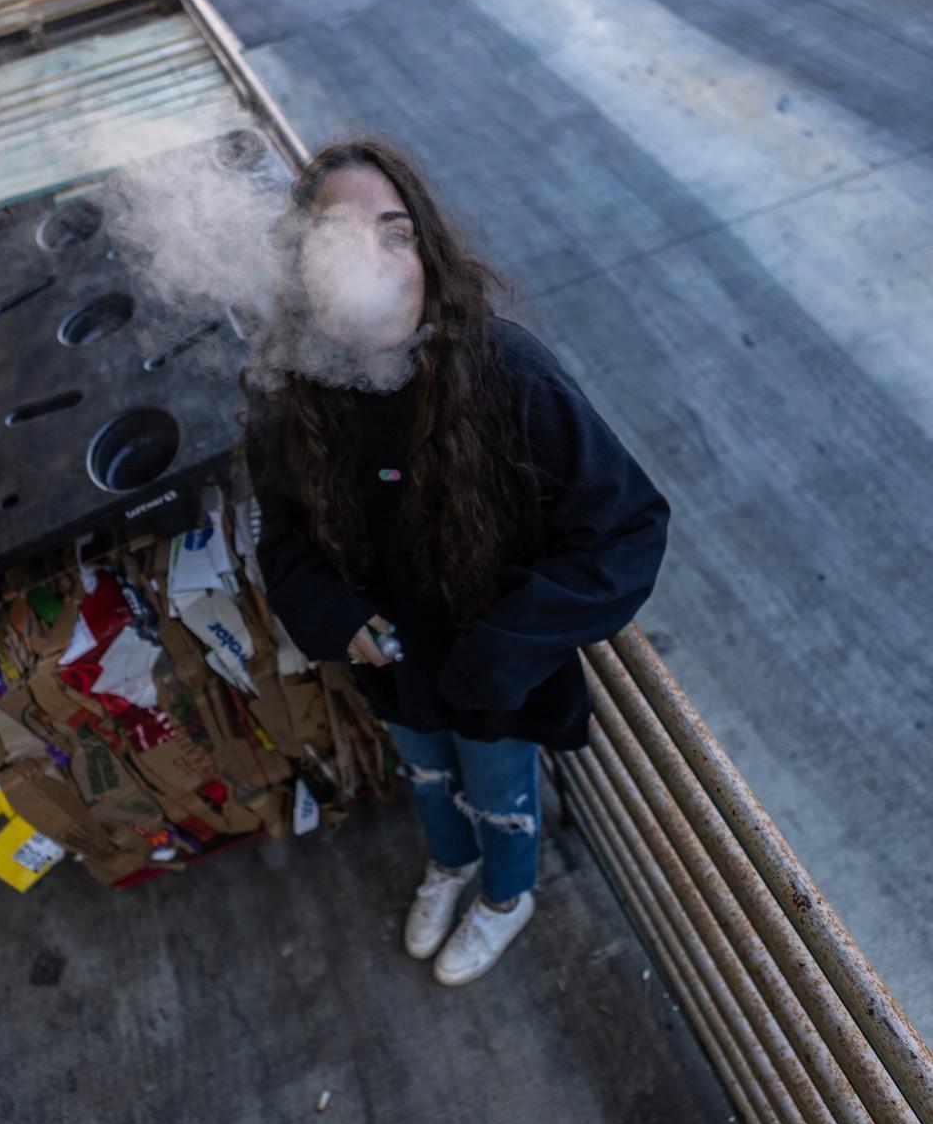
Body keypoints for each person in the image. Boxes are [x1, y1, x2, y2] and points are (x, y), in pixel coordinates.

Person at [240, 133, 670, 987]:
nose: (375, 255)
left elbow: (628, 531)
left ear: (429, 254)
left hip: (493, 683)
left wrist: (506, 650)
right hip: (391, 673)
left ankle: (508, 898)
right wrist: (335, 618)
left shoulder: (510, 374)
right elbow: (281, 536)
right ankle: (449, 863)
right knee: (427, 777)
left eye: (397, 233)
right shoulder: (283, 390)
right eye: (338, 238)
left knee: (502, 798)